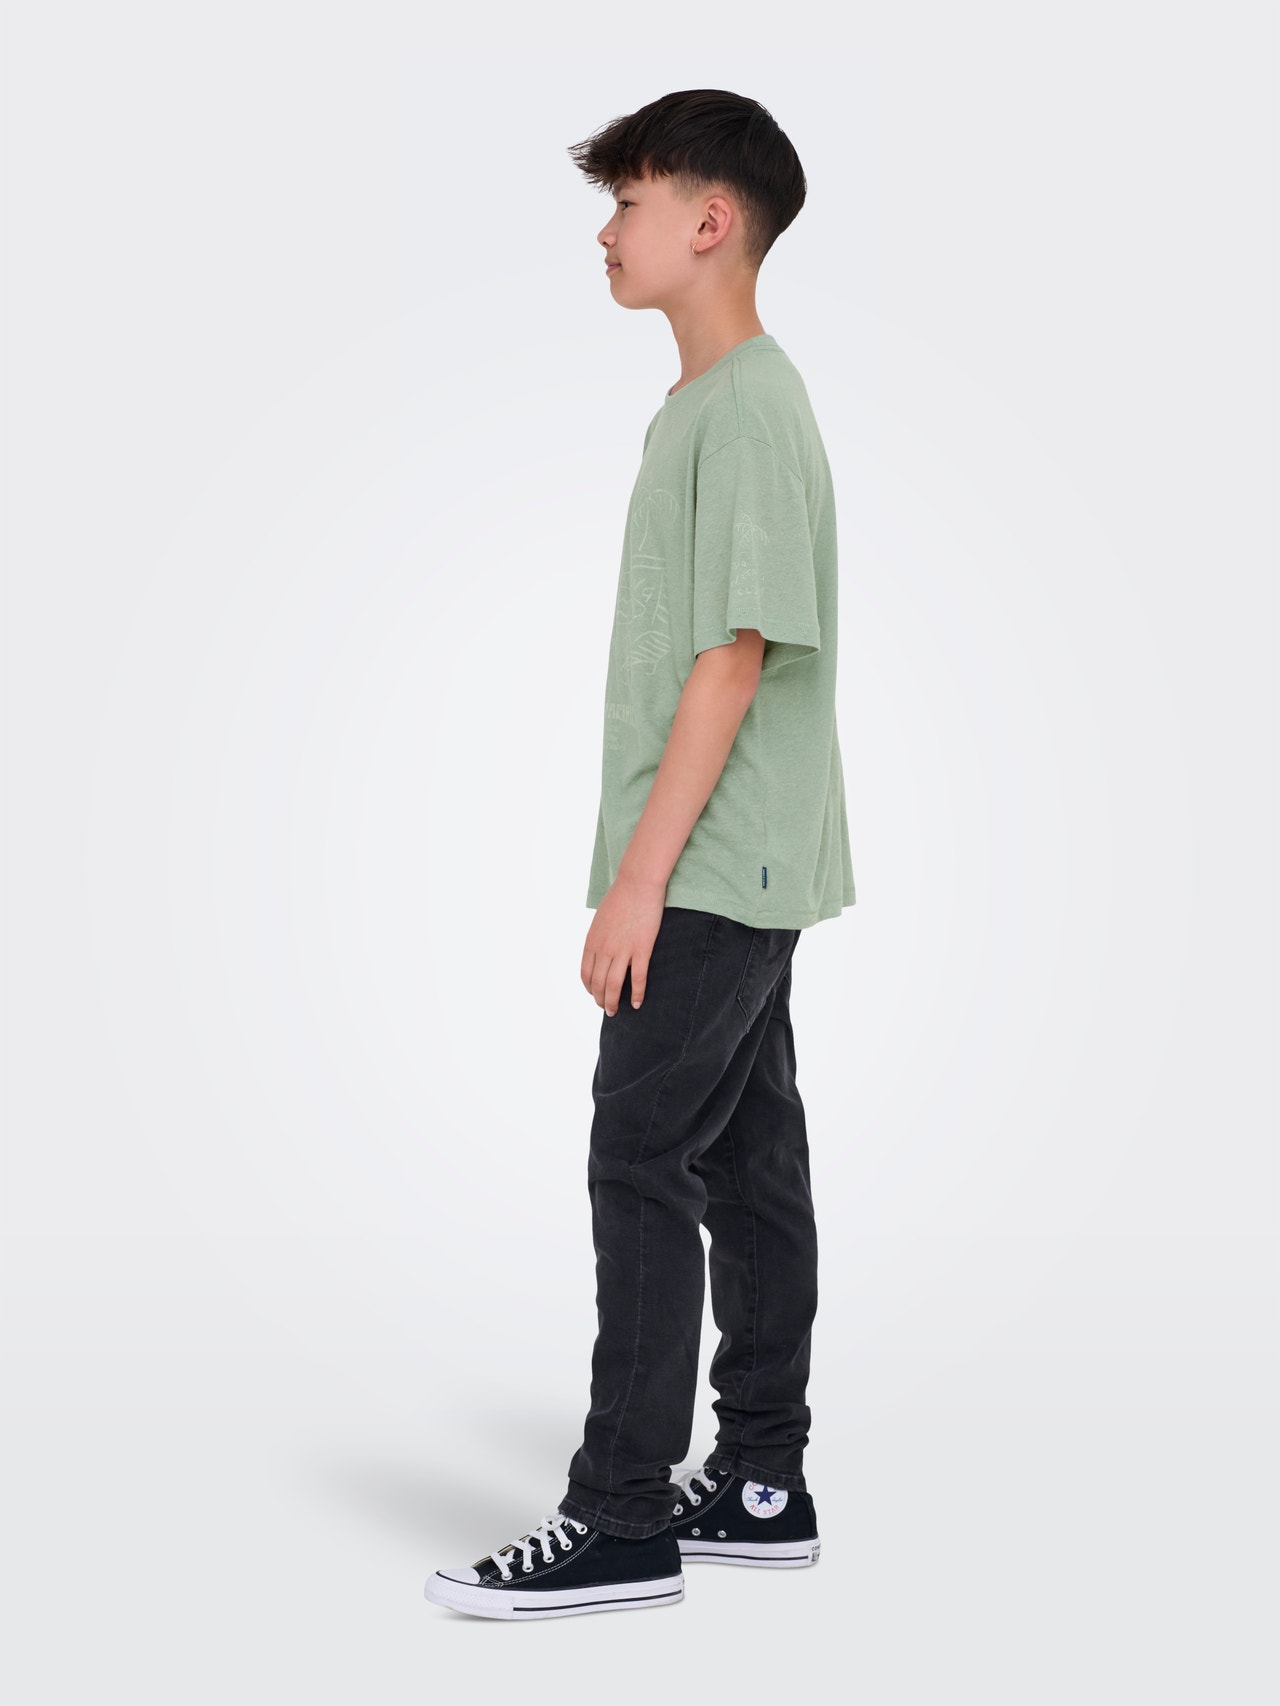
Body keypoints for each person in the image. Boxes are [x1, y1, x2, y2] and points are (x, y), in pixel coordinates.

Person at [424, 87, 856, 1622]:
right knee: (744, 1158)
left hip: (712, 864)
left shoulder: (746, 407)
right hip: (741, 859)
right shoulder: (712, 405)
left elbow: (733, 661)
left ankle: (619, 1516)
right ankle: (760, 1482)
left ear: (711, 222)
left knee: (639, 1155)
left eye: (629, 200)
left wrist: (636, 880)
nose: (606, 230)